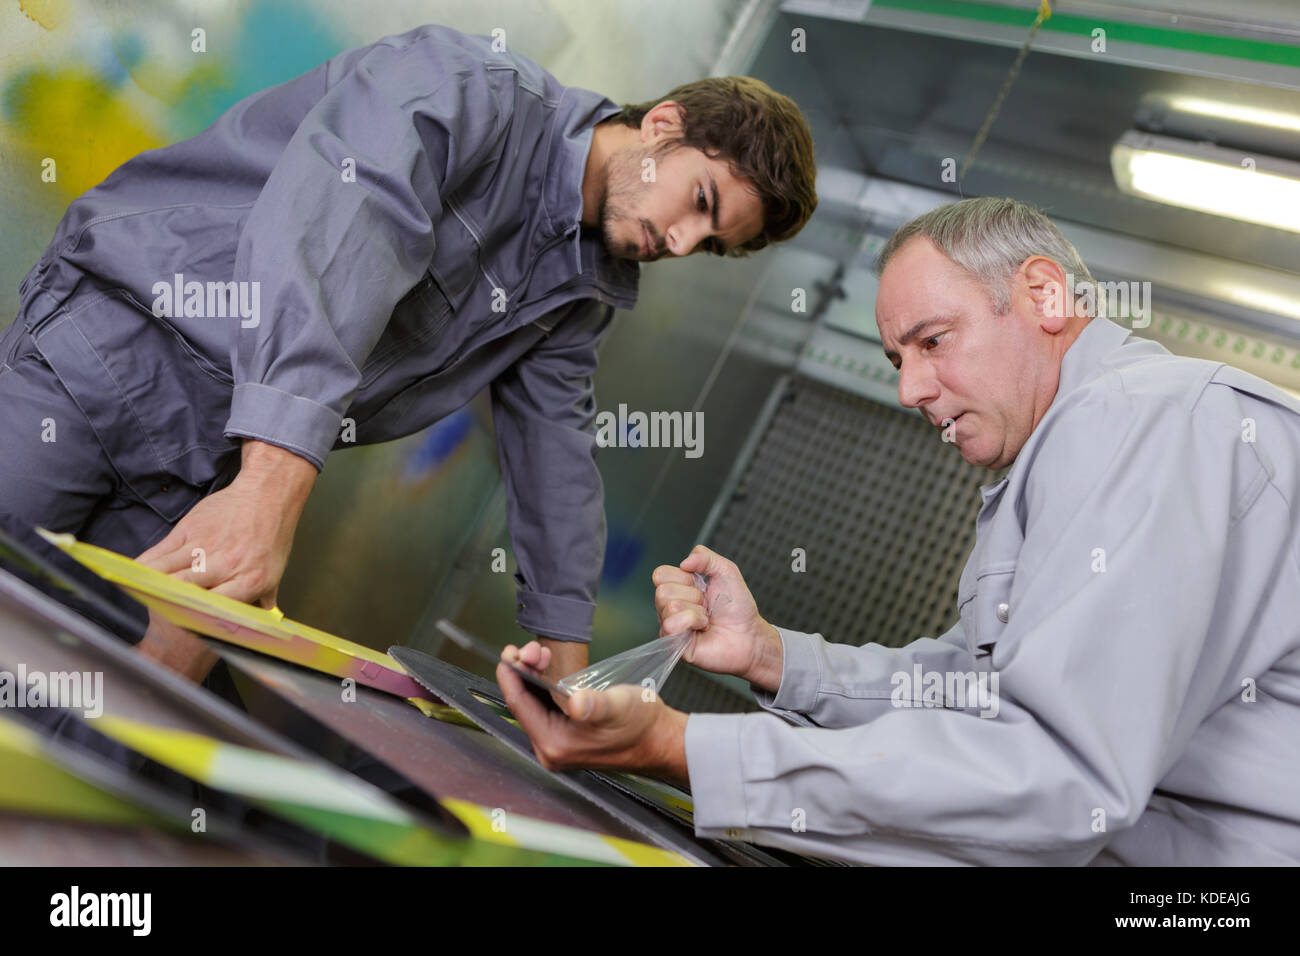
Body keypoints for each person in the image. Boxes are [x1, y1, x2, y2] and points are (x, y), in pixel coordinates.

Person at [0, 23, 818, 680]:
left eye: (708, 242)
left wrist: (568, 667)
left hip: (210, 462)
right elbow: (337, 235)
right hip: (110, 357)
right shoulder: (464, 88)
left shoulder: (580, 288)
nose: (679, 240)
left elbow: (554, 457)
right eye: (698, 202)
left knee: (98, 705)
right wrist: (269, 490)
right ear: (664, 125)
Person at [498, 196, 1300, 865]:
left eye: (933, 342)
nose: (913, 389)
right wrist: (771, 657)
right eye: (895, 360)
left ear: (1045, 295)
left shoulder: (1142, 421)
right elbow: (969, 693)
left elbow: (1059, 775)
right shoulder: (1069, 455)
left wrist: (683, 750)